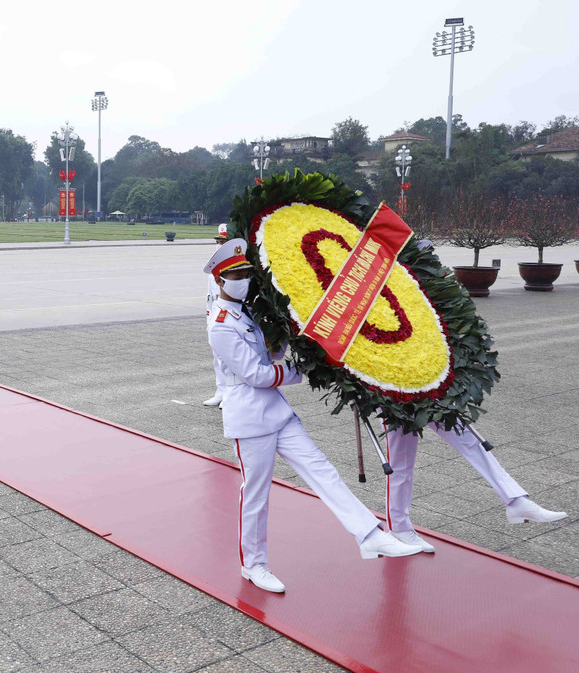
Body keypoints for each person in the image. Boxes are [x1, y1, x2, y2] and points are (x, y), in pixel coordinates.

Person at [205, 238, 421, 593]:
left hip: (277, 413)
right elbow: (256, 375)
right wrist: (301, 370)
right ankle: (254, 565)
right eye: (236, 274)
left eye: (246, 271)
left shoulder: (246, 311)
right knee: (256, 494)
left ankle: (369, 534)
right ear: (219, 280)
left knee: (323, 470)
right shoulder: (221, 323)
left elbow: (271, 349)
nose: (244, 278)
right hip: (249, 419)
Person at [383, 423, 568, 553]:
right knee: (400, 461)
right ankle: (399, 527)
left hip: (428, 382)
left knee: (468, 438)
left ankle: (515, 499)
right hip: (391, 389)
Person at [204, 224, 229, 407]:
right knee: (216, 356)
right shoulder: (213, 264)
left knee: (227, 357)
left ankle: (230, 393)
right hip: (213, 310)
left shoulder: (234, 266)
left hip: (227, 313)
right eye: (218, 241)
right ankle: (220, 391)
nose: (219, 245)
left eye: (223, 242)